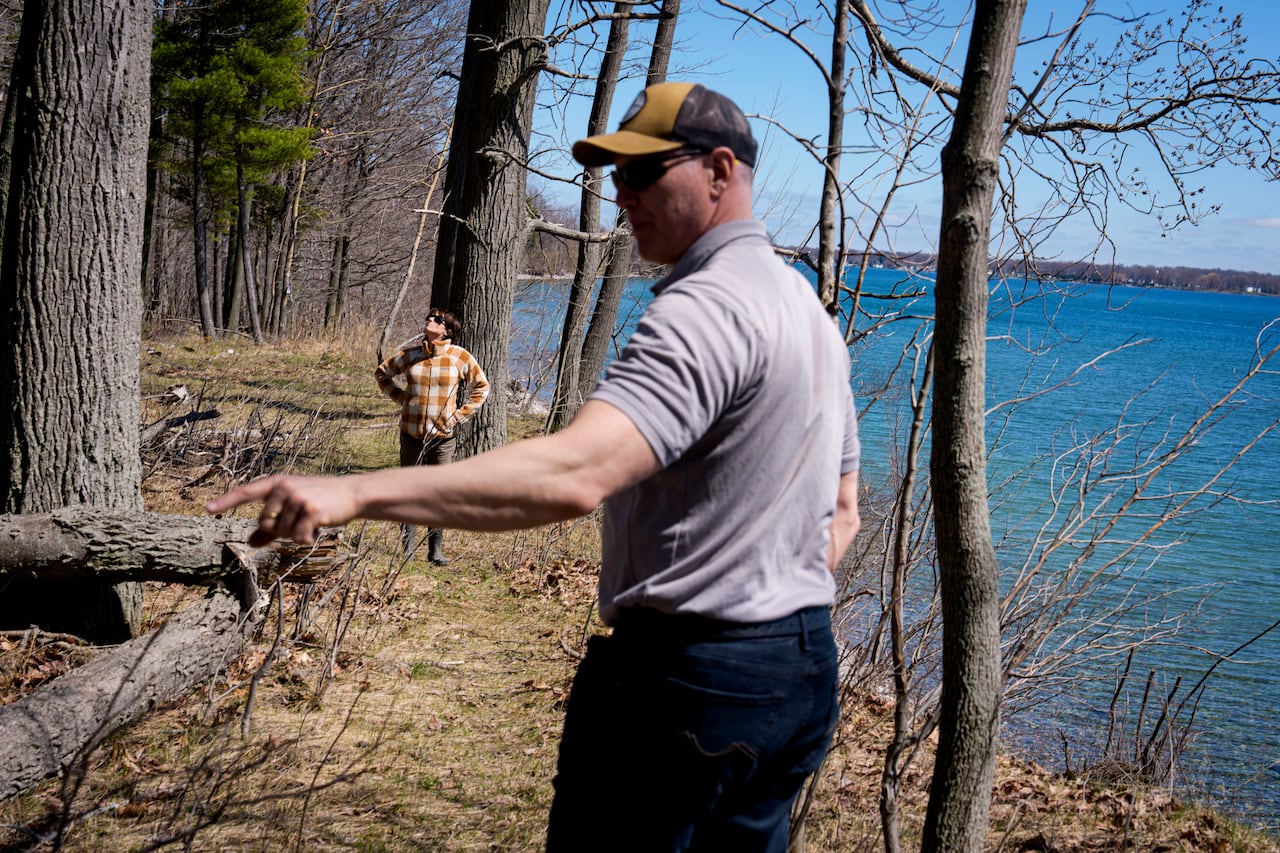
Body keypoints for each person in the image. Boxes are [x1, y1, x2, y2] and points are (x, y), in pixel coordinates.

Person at [208, 81, 860, 852]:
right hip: (797, 672)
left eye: (644, 174)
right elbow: (844, 509)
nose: (622, 194)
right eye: (616, 176)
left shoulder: (705, 309)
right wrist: (766, 614)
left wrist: (351, 491)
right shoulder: (806, 314)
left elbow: (573, 475)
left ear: (720, 171)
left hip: (689, 686)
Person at [374, 306, 489, 564]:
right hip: (411, 434)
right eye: (429, 316)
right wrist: (401, 398)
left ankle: (435, 551)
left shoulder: (460, 357)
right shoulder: (412, 354)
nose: (430, 320)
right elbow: (382, 372)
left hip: (442, 439)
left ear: (447, 330)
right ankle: (407, 550)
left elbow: (482, 386)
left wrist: (461, 414)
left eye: (437, 319)